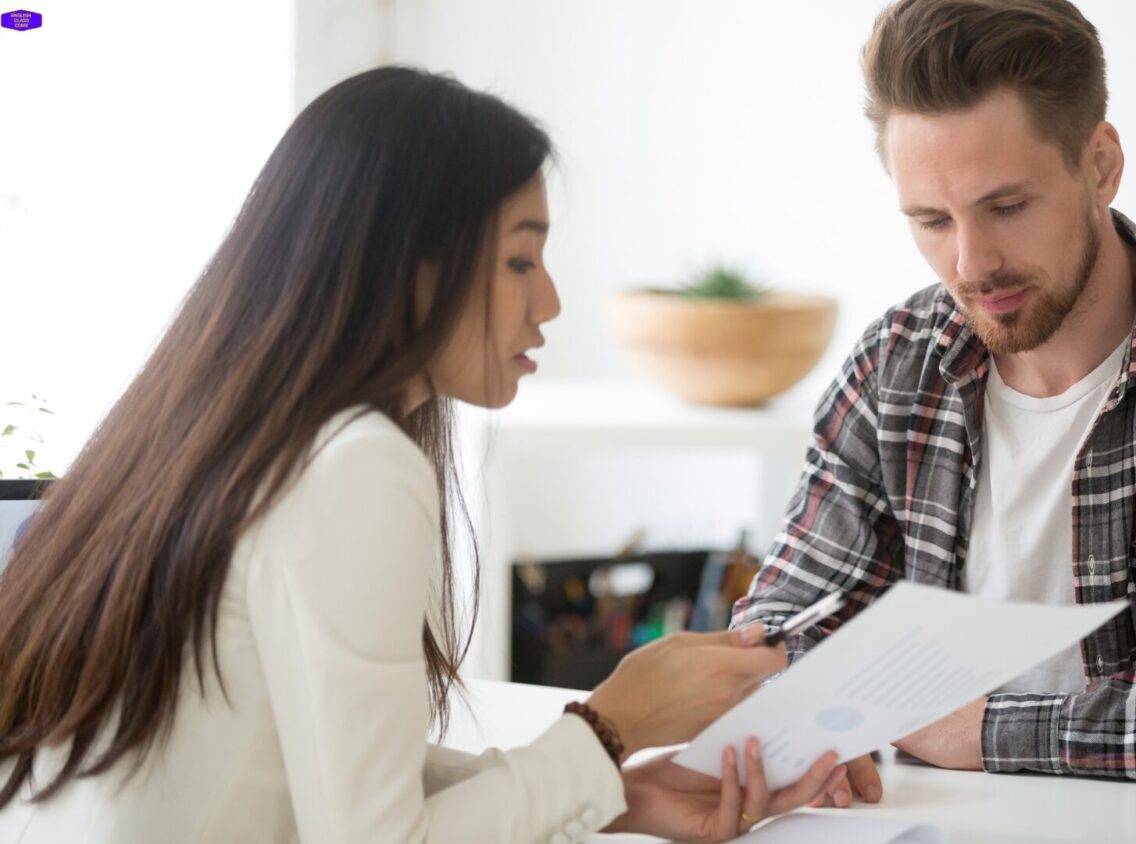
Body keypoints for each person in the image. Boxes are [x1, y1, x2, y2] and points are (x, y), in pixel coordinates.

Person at [0, 67, 841, 843]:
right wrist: (610, 723)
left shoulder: (212, 432)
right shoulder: (352, 466)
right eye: (519, 259)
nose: (548, 302)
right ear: (410, 267)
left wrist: (612, 788)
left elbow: (320, 768)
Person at [733, 0, 1136, 804]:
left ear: (1101, 164)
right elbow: (774, 638)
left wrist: (983, 730)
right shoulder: (893, 369)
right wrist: (812, 719)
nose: (972, 263)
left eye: (1007, 206)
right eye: (931, 220)